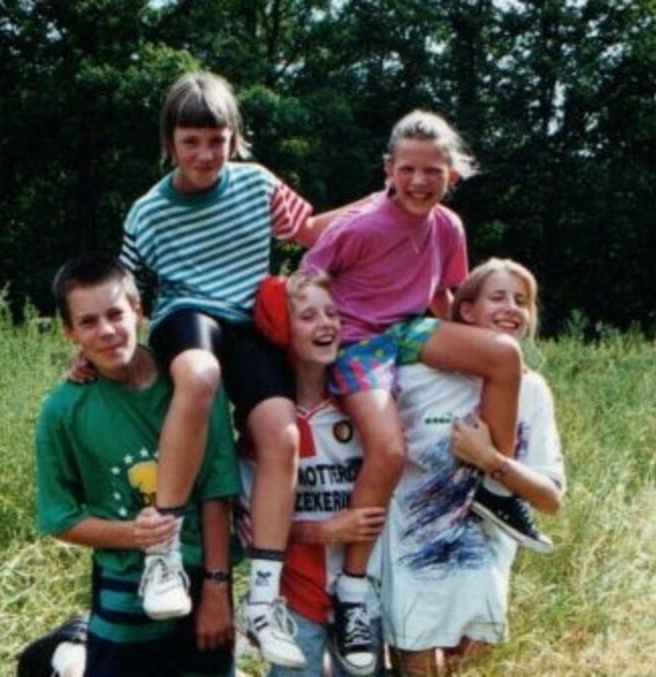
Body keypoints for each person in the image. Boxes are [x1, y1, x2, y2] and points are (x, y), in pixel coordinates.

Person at [114, 70, 347, 668]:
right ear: (169, 143)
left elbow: (311, 228)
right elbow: (126, 291)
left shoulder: (256, 184)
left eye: (216, 140)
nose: (205, 154)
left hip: (248, 321)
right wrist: (92, 353)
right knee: (197, 377)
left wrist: (386, 201)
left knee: (282, 432)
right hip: (186, 315)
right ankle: (162, 550)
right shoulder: (148, 211)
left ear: (234, 138)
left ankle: (265, 601)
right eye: (191, 142)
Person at [300, 110, 542, 672]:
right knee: (388, 449)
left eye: (432, 170)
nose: (418, 181)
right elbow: (307, 277)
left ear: (451, 174)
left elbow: (446, 298)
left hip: (409, 332)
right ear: (388, 169)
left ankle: (495, 486)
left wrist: (477, 356)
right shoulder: (359, 227)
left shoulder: (447, 228)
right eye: (407, 169)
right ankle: (354, 592)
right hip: (359, 341)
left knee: (504, 355)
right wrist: (311, 350)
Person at [35, 254, 238, 676]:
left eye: (115, 314)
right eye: (88, 322)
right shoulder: (64, 411)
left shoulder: (193, 385)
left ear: (139, 311)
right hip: (123, 590)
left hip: (203, 578)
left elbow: (217, 491)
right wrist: (134, 534)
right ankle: (65, 652)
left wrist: (218, 590)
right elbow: (59, 517)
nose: (107, 331)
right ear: (69, 332)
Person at [376, 257, 566, 675]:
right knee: (416, 665)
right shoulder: (413, 375)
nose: (511, 308)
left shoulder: (531, 390)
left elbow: (550, 499)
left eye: (522, 301)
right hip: (411, 554)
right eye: (497, 297)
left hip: (483, 556)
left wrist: (491, 461)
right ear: (465, 311)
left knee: (469, 663)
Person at [236, 273, 386, 677]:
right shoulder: (265, 427)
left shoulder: (367, 411)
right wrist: (320, 532)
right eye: (308, 316)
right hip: (294, 601)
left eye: (332, 313)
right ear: (282, 329)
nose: (327, 324)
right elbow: (255, 530)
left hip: (363, 598)